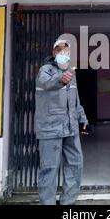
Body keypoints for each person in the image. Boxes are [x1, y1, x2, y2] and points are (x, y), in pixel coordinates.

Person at [35, 38, 88, 205]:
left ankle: (68, 202)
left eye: (66, 51)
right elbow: (47, 84)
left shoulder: (72, 75)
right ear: (53, 53)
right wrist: (60, 80)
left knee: (75, 164)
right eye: (59, 50)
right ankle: (47, 202)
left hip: (70, 128)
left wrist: (83, 118)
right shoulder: (45, 70)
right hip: (50, 129)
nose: (62, 53)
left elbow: (75, 100)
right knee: (49, 168)